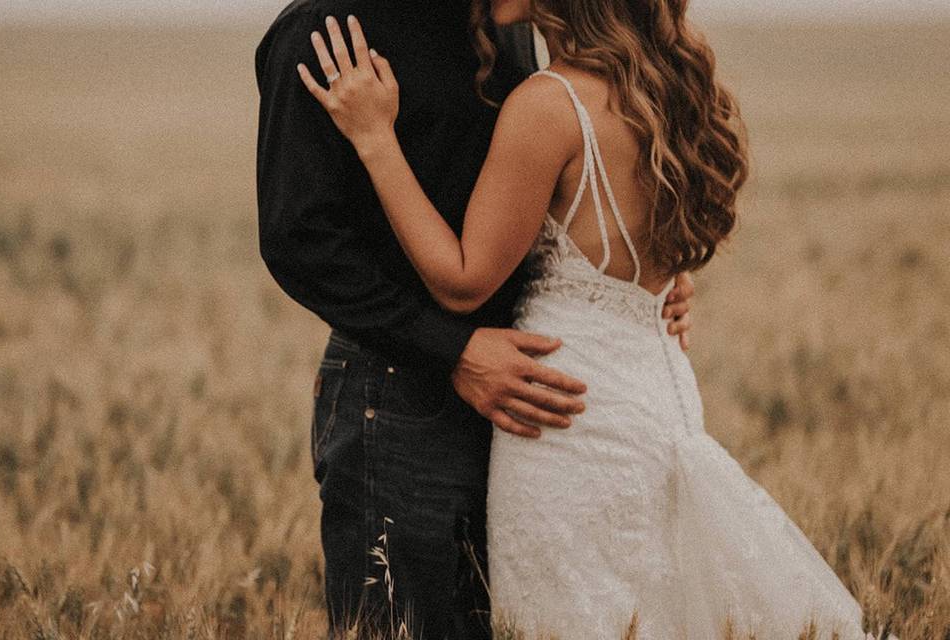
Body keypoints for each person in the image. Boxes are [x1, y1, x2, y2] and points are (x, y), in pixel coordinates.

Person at [296, 0, 882, 638]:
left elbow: (464, 283)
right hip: (657, 404)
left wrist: (376, 139)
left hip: (563, 419)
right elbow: (640, 252)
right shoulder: (666, 88)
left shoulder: (548, 104)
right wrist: (664, 291)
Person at [254, 1, 695, 638]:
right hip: (397, 396)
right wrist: (453, 349)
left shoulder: (505, 21)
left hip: (528, 404)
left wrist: (639, 285)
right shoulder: (327, 26)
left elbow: (550, 185)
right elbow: (298, 239)